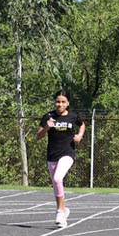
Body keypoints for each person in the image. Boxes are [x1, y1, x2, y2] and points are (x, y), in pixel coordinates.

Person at [36, 90, 85, 228]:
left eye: (63, 102)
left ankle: (59, 211)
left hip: (67, 153)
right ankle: (63, 210)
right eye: (58, 101)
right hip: (52, 155)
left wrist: (80, 135)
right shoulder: (49, 116)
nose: (60, 104)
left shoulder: (73, 116)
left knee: (58, 179)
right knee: (56, 184)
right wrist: (47, 127)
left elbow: (82, 124)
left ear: (68, 103)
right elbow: (38, 136)